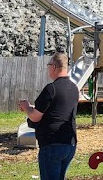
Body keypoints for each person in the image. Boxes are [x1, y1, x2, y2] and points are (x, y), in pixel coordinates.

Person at [19, 52, 78, 180]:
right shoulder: (74, 88)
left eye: (48, 65)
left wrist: (26, 107)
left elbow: (35, 117)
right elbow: (57, 110)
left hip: (52, 143)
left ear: (54, 67)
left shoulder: (51, 89)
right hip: (69, 143)